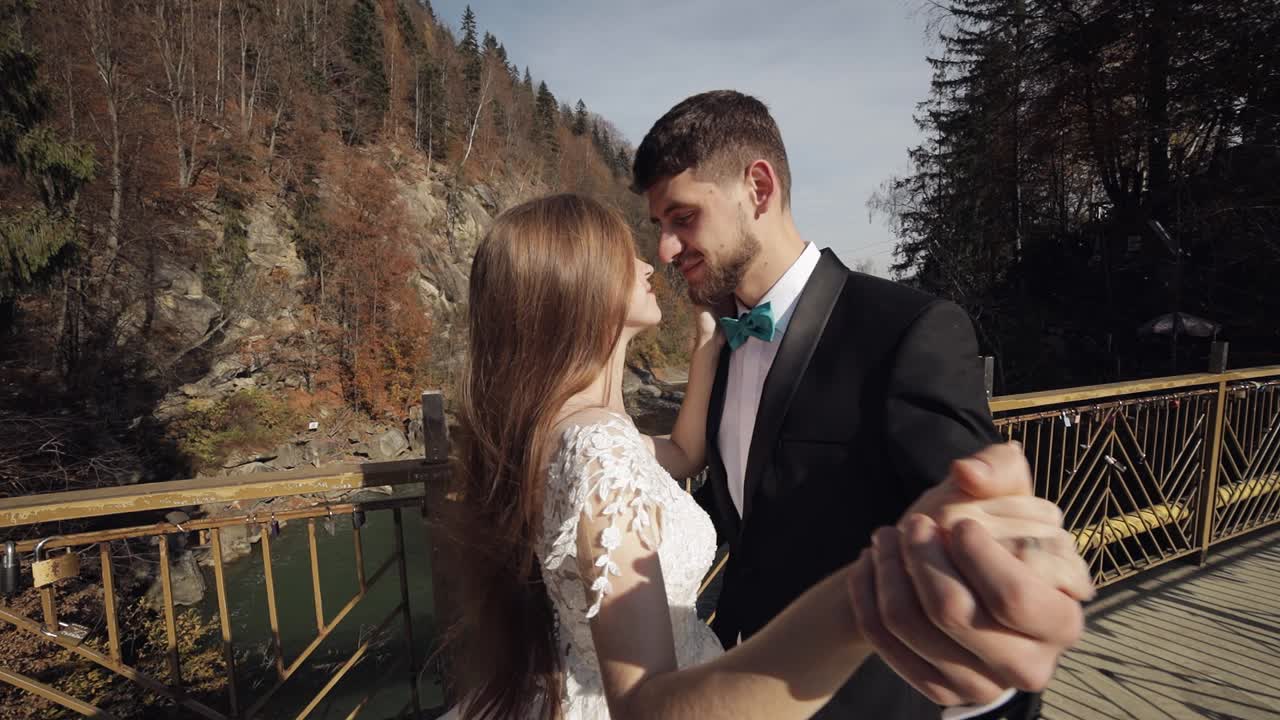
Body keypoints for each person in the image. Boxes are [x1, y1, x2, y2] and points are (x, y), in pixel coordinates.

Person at [440, 193, 1091, 720]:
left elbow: (684, 452)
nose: (649, 263)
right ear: (579, 290)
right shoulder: (598, 447)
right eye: (623, 257)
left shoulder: (568, 428)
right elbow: (642, 706)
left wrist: (705, 349)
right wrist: (868, 594)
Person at [629, 89, 1086, 719]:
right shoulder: (724, 345)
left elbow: (991, 558)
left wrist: (998, 692)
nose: (666, 249)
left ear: (758, 189)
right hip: (739, 679)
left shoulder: (908, 331)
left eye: (682, 218)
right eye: (659, 227)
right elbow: (750, 501)